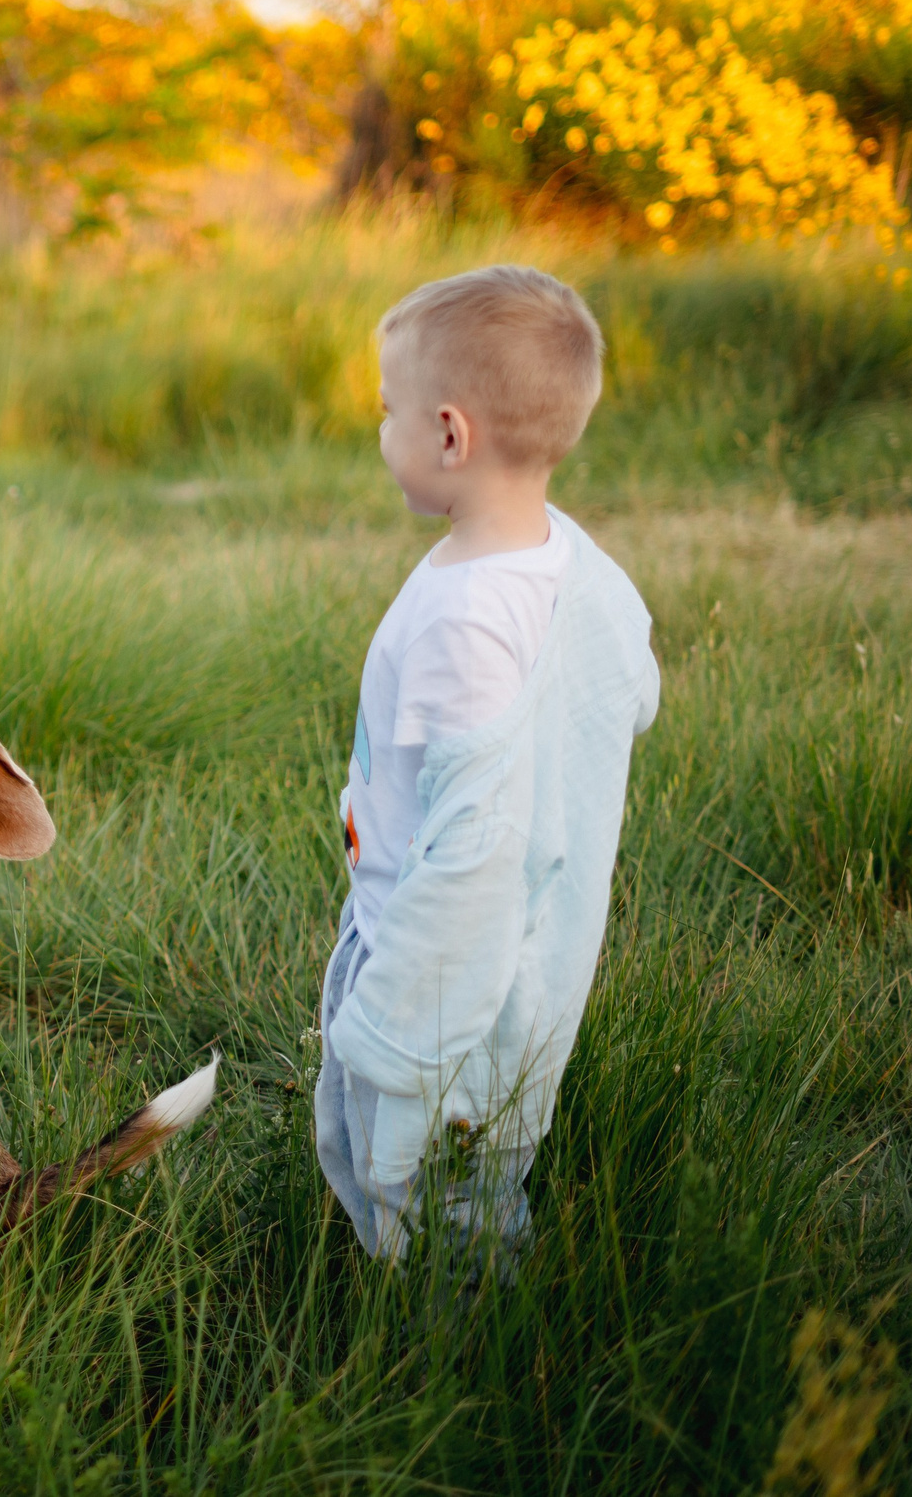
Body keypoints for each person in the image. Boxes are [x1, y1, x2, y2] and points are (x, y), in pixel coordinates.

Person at [315, 264, 660, 1266]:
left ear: (449, 435)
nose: (382, 435)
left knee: (430, 1195)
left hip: (444, 976)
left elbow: (477, 848)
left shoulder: (463, 623)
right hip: (474, 944)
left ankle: (451, 1367)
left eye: (390, 414)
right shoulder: (558, 555)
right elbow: (624, 679)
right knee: (443, 1184)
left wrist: (392, 1027)